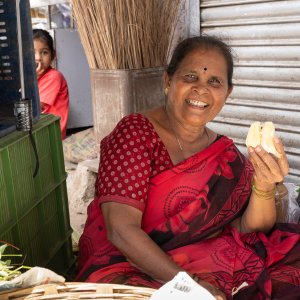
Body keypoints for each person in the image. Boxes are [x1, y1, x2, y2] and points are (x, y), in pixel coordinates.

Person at [76, 35, 300, 299]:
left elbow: (247, 228)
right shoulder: (136, 133)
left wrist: (264, 184)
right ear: (168, 81)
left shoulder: (225, 154)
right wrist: (191, 286)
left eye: (214, 81)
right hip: (132, 265)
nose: (201, 89)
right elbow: (121, 231)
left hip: (208, 258)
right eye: (191, 77)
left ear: (227, 92)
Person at [33, 29, 69, 139]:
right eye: (33, 52)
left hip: (51, 134)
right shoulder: (34, 76)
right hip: (41, 128)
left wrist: (31, 77)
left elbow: (34, 109)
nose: (38, 58)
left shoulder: (54, 76)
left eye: (44, 52)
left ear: (53, 55)